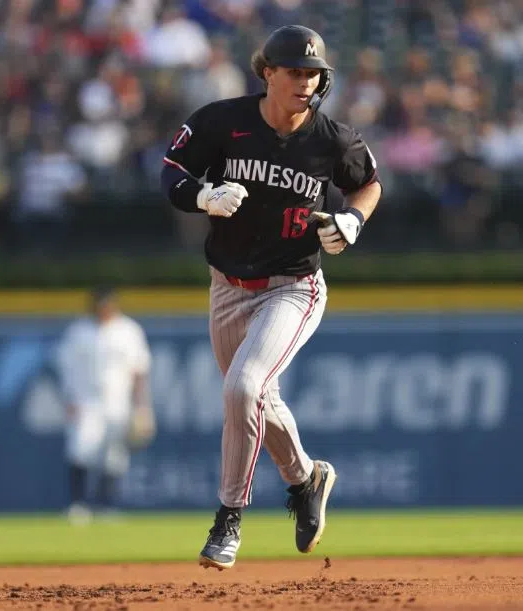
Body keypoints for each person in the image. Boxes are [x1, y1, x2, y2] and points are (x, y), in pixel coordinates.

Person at [160, 25, 382, 570]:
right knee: (257, 398)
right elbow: (171, 171)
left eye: (313, 74)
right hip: (228, 286)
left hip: (294, 284)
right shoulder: (223, 121)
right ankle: (306, 478)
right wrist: (202, 196)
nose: (305, 82)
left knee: (242, 387)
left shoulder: (331, 138)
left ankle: (229, 518)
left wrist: (352, 220)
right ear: (267, 73)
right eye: (295, 72)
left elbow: (369, 183)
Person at [56, 287, 154, 524]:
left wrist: (141, 406)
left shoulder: (129, 330)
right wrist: (69, 399)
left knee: (114, 455)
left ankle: (106, 506)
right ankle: (78, 505)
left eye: (107, 304)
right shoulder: (78, 332)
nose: (103, 309)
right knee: (81, 448)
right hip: (86, 401)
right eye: (99, 305)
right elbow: (65, 369)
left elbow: (139, 370)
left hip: (119, 401)